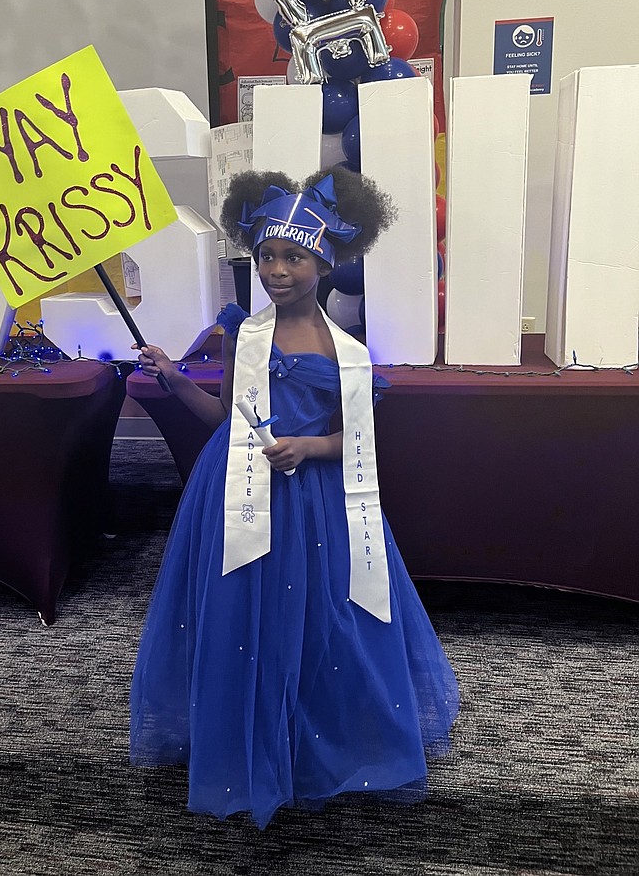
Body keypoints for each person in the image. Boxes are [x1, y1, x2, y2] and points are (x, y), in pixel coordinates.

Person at [130, 166, 459, 829]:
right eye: (267, 256)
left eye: (293, 257)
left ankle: (319, 739)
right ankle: (242, 734)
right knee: (239, 618)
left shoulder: (347, 353)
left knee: (323, 616)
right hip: (236, 493)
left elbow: (357, 442)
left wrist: (310, 448)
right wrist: (172, 380)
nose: (277, 270)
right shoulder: (243, 335)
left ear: (325, 261)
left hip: (313, 504)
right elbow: (223, 417)